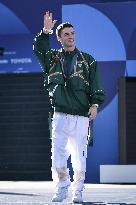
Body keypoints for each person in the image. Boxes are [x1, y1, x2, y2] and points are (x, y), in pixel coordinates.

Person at [33, 11, 105, 203]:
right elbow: (39, 49)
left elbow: (97, 85)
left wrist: (95, 105)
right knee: (57, 157)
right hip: (60, 116)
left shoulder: (89, 60)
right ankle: (62, 187)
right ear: (59, 38)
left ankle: (78, 191)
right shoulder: (52, 59)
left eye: (73, 33)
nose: (71, 36)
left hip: (81, 116)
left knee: (79, 159)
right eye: (66, 34)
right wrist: (45, 31)